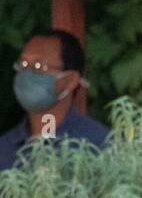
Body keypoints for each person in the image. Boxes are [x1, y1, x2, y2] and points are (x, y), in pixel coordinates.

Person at [1, 28, 109, 171]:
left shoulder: (100, 145)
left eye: (39, 66)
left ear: (71, 80)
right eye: (23, 65)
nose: (27, 74)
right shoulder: (4, 149)